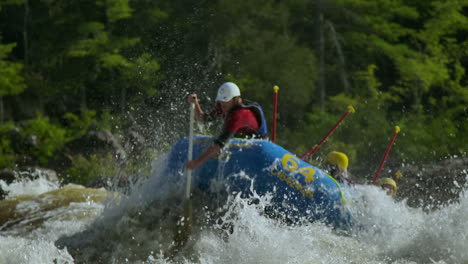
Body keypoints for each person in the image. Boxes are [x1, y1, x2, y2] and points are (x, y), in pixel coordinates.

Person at [186, 82, 267, 169]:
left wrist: (197, 163)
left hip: (258, 145)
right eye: (221, 101)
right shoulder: (224, 105)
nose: (222, 103)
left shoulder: (239, 115)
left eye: (225, 100)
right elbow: (203, 119)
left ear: (234, 99)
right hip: (241, 141)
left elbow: (219, 144)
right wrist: (195, 103)